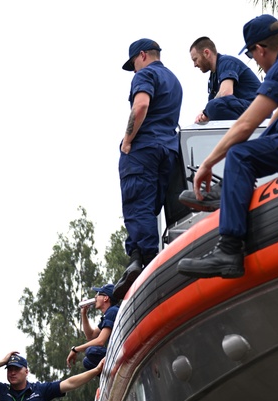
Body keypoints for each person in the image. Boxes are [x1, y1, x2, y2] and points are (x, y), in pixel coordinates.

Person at [178, 15, 278, 280]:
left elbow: (245, 126)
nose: (256, 62)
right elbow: (277, 113)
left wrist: (207, 164)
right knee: (275, 126)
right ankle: (229, 187)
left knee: (240, 154)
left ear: (260, 49)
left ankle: (229, 249)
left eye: (252, 55)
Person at [113, 38, 183, 303]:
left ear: (142, 56)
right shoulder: (174, 81)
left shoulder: (147, 74)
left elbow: (140, 105)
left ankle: (143, 262)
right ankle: (142, 257)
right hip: (168, 151)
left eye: (133, 64)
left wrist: (128, 140)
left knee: (137, 203)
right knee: (151, 205)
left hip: (145, 149)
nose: (134, 71)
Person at [189, 36, 260, 125]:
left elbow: (226, 92)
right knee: (210, 112)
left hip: (256, 107)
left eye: (195, 59)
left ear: (206, 53)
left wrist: (206, 111)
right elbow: (211, 103)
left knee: (213, 107)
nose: (195, 65)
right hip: (241, 109)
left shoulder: (226, 62)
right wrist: (203, 114)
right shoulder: (213, 78)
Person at [67, 284, 118, 370]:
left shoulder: (112, 311)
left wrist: (75, 349)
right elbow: (91, 336)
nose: (95, 297)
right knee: (87, 362)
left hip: (120, 352)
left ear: (105, 298)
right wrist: (84, 313)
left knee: (91, 351)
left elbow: (100, 341)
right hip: (116, 353)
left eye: (98, 294)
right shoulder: (108, 315)